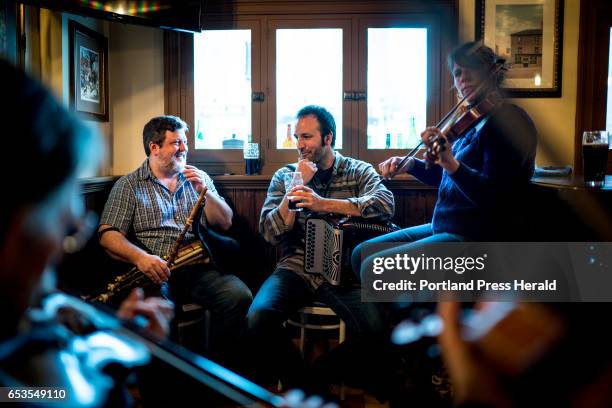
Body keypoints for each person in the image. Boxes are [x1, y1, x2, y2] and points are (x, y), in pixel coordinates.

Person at [352, 42, 538, 280]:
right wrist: (410, 165)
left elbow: (496, 197)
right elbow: (449, 179)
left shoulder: (509, 121)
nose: (464, 77)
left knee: (373, 269)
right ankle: (404, 314)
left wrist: (450, 162)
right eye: (457, 72)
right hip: (446, 226)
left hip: (476, 236)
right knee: (361, 253)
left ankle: (410, 315)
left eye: (472, 68)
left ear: (491, 72)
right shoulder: (471, 121)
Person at [246, 105, 395, 391]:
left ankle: (311, 382)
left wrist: (323, 204)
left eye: (307, 137)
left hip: (342, 271)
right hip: (296, 267)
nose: (300, 145)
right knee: (258, 318)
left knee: (375, 331)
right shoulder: (286, 176)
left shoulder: (357, 170)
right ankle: (306, 387)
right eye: (298, 137)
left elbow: (386, 204)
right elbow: (269, 233)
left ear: (328, 138)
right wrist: (296, 186)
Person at [98, 115, 252, 358]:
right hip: (156, 272)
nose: (184, 148)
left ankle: (217, 372)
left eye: (185, 142)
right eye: (176, 143)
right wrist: (141, 258)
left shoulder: (197, 177)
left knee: (239, 296)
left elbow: (225, 222)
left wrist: (205, 192)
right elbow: (108, 236)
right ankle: (169, 386)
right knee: (156, 310)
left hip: (200, 267)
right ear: (154, 148)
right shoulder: (129, 185)